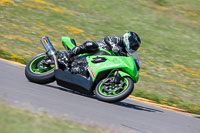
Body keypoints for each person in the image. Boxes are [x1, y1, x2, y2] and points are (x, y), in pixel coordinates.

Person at [59, 31, 141, 74]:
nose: (134, 47)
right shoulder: (118, 40)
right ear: (128, 39)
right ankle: (68, 54)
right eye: (134, 45)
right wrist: (113, 46)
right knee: (91, 45)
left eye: (135, 47)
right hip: (98, 49)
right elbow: (107, 38)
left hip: (102, 60)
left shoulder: (124, 53)